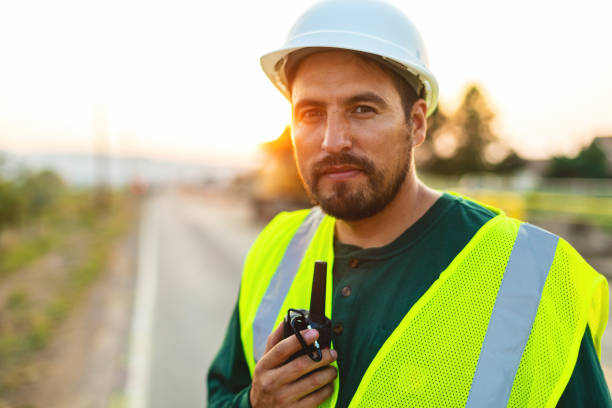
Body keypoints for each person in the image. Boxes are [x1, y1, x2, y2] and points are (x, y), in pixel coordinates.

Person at [207, 0, 611, 406]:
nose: (332, 140)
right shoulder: (274, 248)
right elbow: (222, 393)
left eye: (362, 109)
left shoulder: (528, 276)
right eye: (311, 112)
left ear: (416, 123)